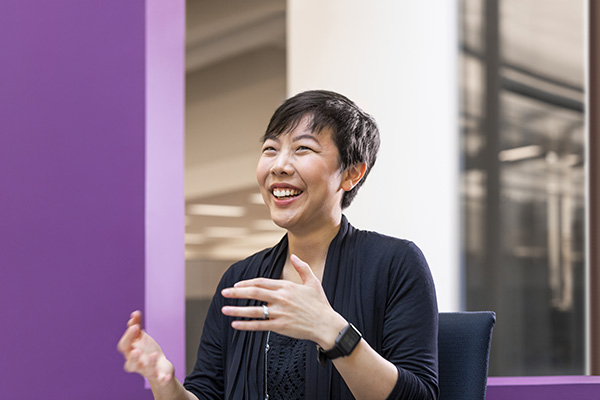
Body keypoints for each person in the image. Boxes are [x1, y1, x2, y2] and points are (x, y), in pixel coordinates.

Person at [117, 90, 439, 400]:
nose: (278, 165)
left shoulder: (395, 264)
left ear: (351, 174)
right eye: (271, 149)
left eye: (303, 149)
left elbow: (418, 395)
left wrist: (333, 331)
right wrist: (165, 383)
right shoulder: (240, 280)